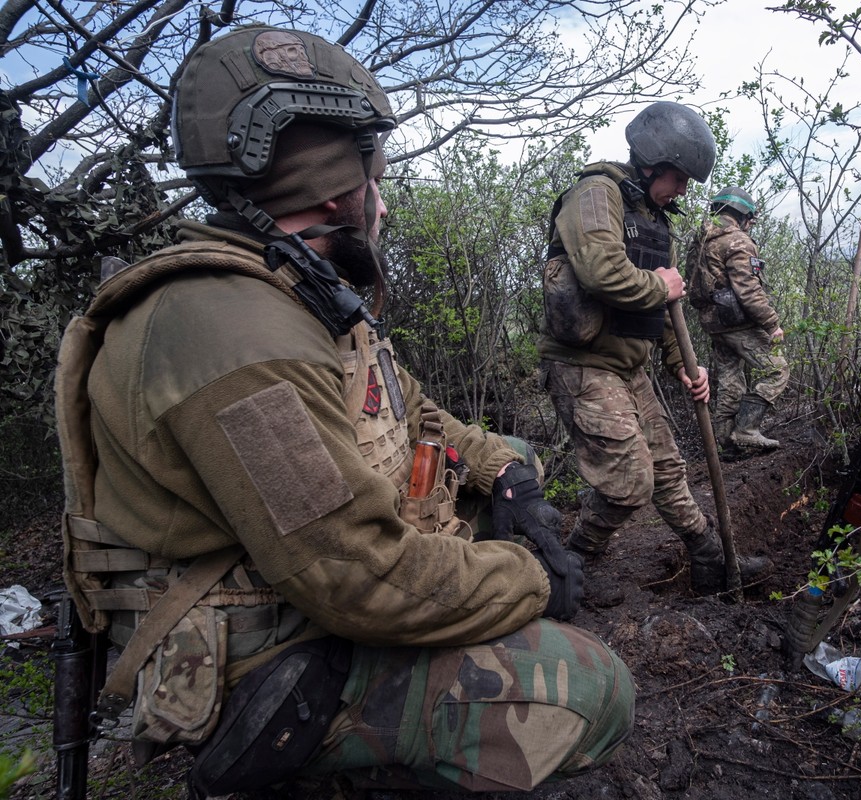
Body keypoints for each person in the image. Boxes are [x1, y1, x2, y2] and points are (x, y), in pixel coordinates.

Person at [54, 26, 632, 797]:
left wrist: (505, 475)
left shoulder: (291, 292)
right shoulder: (240, 337)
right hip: (269, 666)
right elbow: (357, 577)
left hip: (308, 591)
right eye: (374, 181)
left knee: (515, 457)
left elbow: (416, 413)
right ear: (334, 189)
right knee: (595, 688)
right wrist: (531, 580)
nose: (382, 205)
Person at [538, 102, 770, 595]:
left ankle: (710, 556)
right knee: (629, 481)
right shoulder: (595, 193)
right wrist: (661, 286)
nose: (683, 190)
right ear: (652, 162)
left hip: (628, 367)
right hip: (583, 365)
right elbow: (602, 271)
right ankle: (570, 566)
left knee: (667, 468)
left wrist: (683, 364)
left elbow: (666, 308)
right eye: (679, 178)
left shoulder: (654, 218)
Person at [687, 186, 789, 452]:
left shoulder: (702, 239)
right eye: (750, 219)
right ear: (742, 214)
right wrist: (772, 323)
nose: (751, 224)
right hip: (736, 322)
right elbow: (748, 289)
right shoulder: (737, 241)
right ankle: (746, 430)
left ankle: (727, 445)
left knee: (731, 379)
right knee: (777, 370)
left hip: (713, 323)